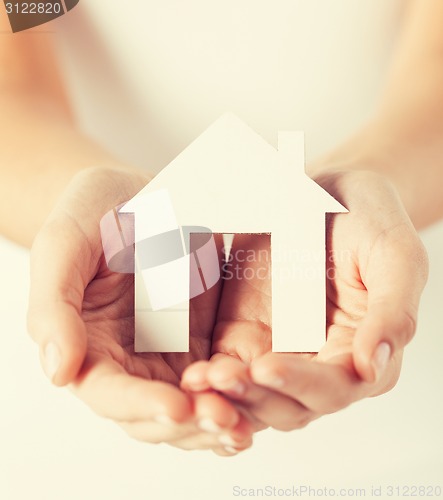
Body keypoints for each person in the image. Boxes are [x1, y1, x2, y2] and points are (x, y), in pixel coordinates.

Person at [1, 0, 441, 455]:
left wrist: (357, 184)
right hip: (63, 401)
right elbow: (11, 88)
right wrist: (82, 204)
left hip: (391, 387)